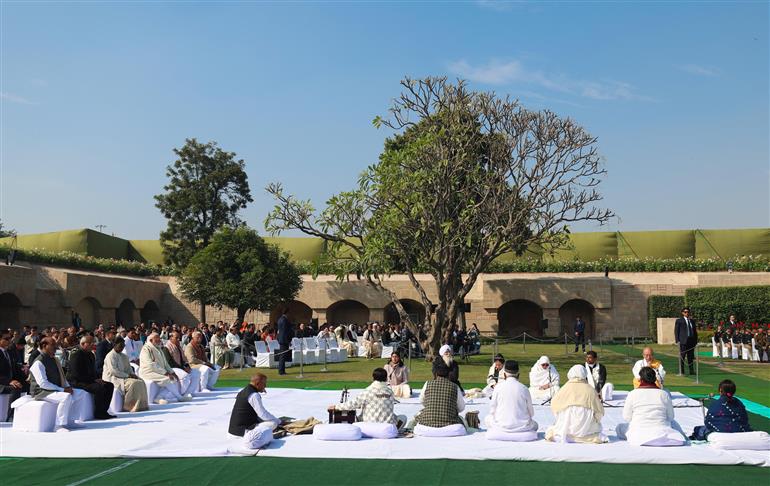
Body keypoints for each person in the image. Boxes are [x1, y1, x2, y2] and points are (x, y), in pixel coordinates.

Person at [28, 337, 89, 432]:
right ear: (44, 345)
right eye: (53, 345)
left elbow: (62, 376)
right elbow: (43, 384)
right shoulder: (38, 362)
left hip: (54, 389)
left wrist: (67, 386)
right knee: (65, 397)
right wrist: (63, 390)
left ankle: (71, 421)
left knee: (80, 393)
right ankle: (59, 425)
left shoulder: (53, 359)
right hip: (41, 392)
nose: (56, 347)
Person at [617, 366, 686, 446]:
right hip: (662, 430)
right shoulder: (663, 394)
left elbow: (627, 417)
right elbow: (670, 417)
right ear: (655, 379)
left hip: (639, 432)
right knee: (673, 423)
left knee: (619, 428)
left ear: (640, 380)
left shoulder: (632, 394)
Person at [545, 365, 606, 444]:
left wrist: (560, 417)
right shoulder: (590, 389)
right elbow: (599, 412)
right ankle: (582, 437)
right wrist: (595, 420)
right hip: (586, 428)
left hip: (566, 427)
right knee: (597, 429)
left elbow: (554, 405)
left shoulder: (565, 388)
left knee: (554, 428)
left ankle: (568, 435)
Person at [331, 368, 406, 428]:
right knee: (403, 417)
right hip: (388, 428)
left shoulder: (367, 391)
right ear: (386, 378)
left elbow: (352, 404)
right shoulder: (390, 392)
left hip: (369, 427)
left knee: (356, 418)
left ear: (373, 378)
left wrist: (336, 407)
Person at [66, 335, 116, 420]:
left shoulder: (91, 355)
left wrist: (98, 379)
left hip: (88, 380)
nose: (93, 344)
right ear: (83, 344)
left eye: (93, 342)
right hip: (77, 381)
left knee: (109, 385)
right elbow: (76, 374)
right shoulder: (76, 355)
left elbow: (93, 370)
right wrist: (94, 380)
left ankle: (104, 411)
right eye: (90, 343)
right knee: (99, 388)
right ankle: (99, 413)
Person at [228, 373, 282, 449]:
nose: (265, 386)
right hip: (242, 431)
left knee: (269, 420)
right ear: (257, 384)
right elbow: (262, 414)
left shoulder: (244, 391)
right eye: (264, 384)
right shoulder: (253, 395)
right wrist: (278, 421)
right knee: (273, 423)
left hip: (233, 430)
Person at [484, 360, 538, 434]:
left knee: (487, 419)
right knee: (535, 425)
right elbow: (531, 413)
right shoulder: (524, 388)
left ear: (504, 375)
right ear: (518, 375)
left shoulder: (498, 388)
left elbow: (492, 411)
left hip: (501, 427)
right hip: (522, 428)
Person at [139, 333, 192, 404]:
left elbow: (165, 364)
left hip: (158, 371)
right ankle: (179, 397)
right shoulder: (146, 349)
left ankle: (158, 397)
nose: (159, 340)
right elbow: (151, 364)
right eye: (156, 339)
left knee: (174, 378)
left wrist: (172, 372)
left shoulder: (158, 348)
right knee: (169, 379)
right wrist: (165, 373)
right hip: (148, 372)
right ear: (151, 340)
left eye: (159, 338)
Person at [412, 359, 465, 429]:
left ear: (435, 373)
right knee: (463, 423)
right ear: (448, 373)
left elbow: (421, 401)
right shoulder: (455, 387)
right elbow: (461, 408)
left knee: (414, 420)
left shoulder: (427, 384)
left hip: (425, 427)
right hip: (451, 427)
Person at [102, 337, 149, 412]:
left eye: (123, 346)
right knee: (134, 383)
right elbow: (114, 371)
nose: (122, 348)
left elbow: (129, 368)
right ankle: (129, 406)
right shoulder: (110, 356)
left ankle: (142, 405)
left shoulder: (124, 356)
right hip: (113, 378)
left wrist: (133, 375)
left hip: (124, 377)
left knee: (141, 381)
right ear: (114, 345)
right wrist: (128, 376)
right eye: (120, 346)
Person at [0, 332, 28, 420]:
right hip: (2, 382)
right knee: (15, 388)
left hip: (9, 380)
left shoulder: (8, 352)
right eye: (6, 339)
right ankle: (11, 416)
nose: (9, 340)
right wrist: (10, 381)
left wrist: (26, 376)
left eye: (10, 338)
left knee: (27, 384)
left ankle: (25, 413)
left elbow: (14, 367)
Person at [163, 331, 201, 396]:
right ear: (171, 338)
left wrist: (187, 366)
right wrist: (183, 368)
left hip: (180, 367)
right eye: (176, 338)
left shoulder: (179, 347)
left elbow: (184, 359)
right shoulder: (166, 348)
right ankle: (180, 394)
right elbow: (169, 363)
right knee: (184, 376)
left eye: (179, 338)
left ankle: (188, 392)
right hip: (172, 369)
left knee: (196, 373)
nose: (178, 339)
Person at [674, 307, 698, 375]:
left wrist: (696, 341)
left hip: (691, 341)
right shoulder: (679, 320)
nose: (687, 313)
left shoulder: (692, 321)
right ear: (682, 313)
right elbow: (676, 331)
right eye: (685, 312)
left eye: (688, 312)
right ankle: (682, 371)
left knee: (690, 357)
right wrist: (677, 340)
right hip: (683, 341)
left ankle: (691, 371)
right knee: (682, 356)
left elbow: (695, 331)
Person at [276, 307, 293, 375]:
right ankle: (281, 371)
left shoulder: (280, 319)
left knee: (283, 355)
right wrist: (288, 340)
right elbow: (285, 332)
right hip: (284, 340)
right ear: (287, 312)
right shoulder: (284, 320)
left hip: (281, 339)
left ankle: (282, 370)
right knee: (283, 356)